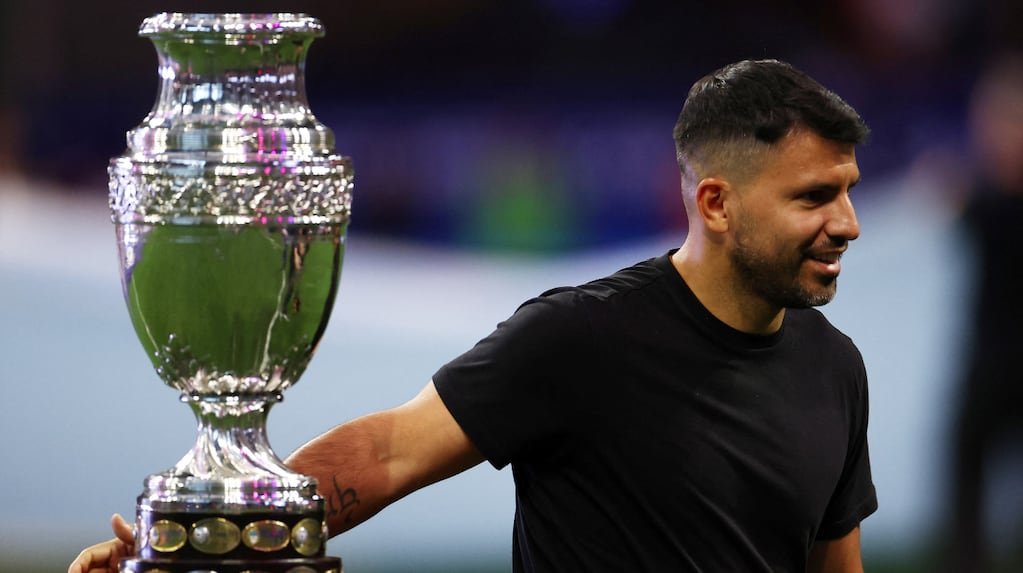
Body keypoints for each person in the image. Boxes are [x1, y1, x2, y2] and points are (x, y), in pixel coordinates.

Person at [70, 58, 877, 573]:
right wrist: (199, 540)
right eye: (813, 195)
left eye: (845, 189)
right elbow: (386, 454)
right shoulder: (580, 337)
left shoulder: (835, 366)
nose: (845, 221)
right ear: (716, 202)